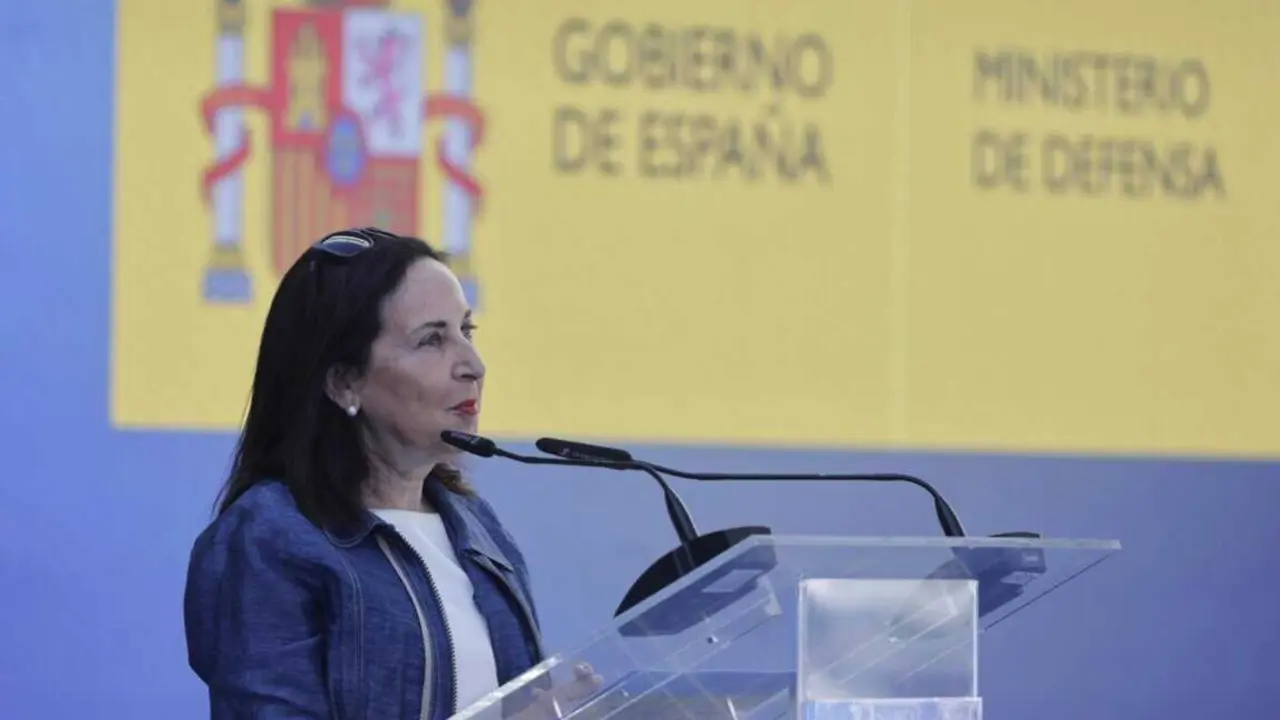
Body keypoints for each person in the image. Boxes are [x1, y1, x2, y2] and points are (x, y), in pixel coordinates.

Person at [183, 228, 595, 719]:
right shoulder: (270, 539)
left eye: (468, 331)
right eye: (432, 340)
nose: (473, 365)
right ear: (344, 381)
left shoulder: (477, 530)